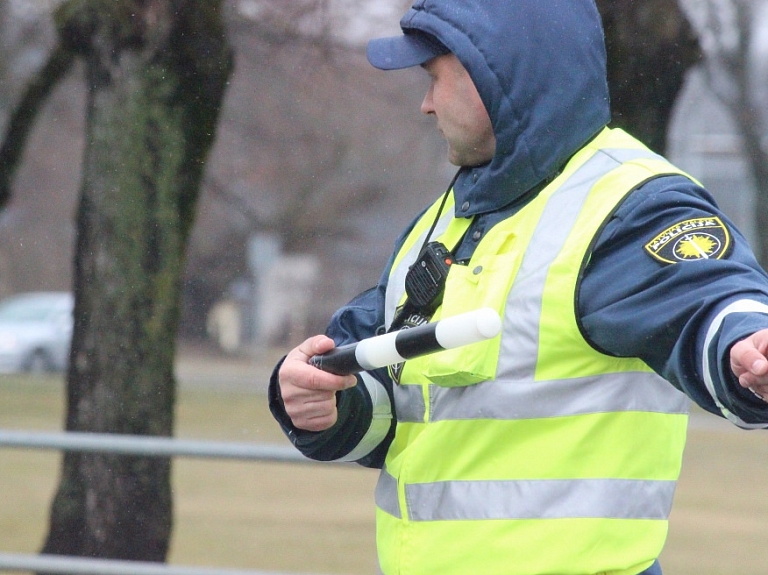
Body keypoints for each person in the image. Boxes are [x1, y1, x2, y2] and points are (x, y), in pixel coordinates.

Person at [268, 1, 768, 574]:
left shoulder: (631, 206)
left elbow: (712, 301)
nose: (425, 104)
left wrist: (746, 351)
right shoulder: (446, 220)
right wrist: (323, 404)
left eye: (435, 78)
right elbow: (395, 408)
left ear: (497, 72)